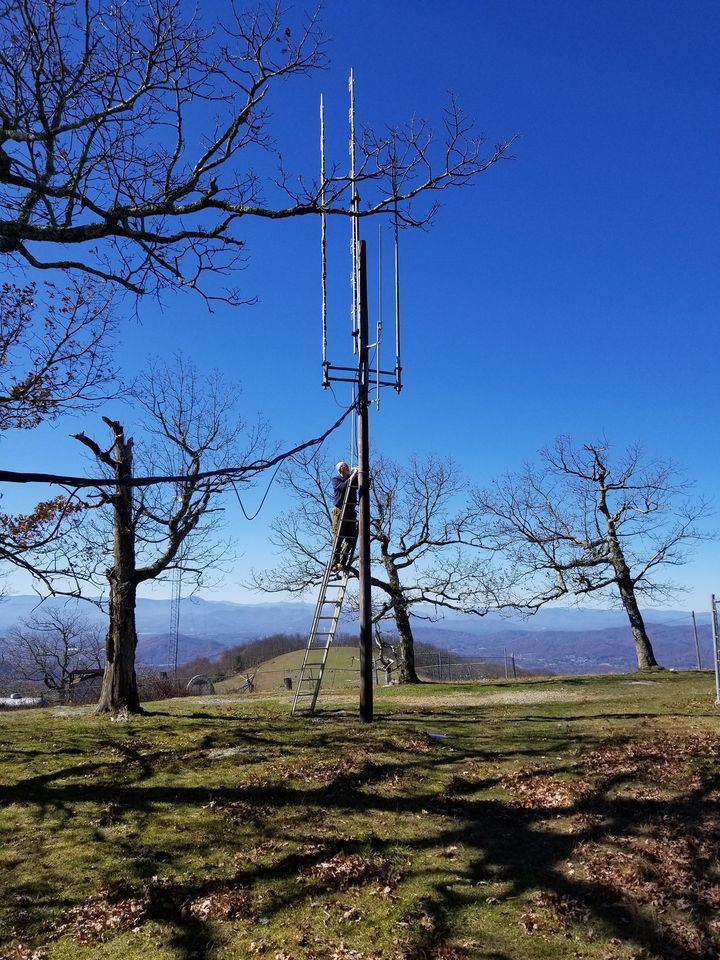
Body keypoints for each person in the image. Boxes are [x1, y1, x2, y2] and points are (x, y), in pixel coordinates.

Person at [330, 461, 358, 570]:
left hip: (351, 510)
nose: (346, 467)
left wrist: (359, 473)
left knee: (350, 538)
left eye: (346, 465)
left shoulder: (353, 478)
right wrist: (352, 476)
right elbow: (342, 487)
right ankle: (334, 562)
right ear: (339, 469)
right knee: (338, 537)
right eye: (343, 466)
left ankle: (342, 562)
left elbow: (363, 484)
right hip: (340, 510)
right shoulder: (336, 479)